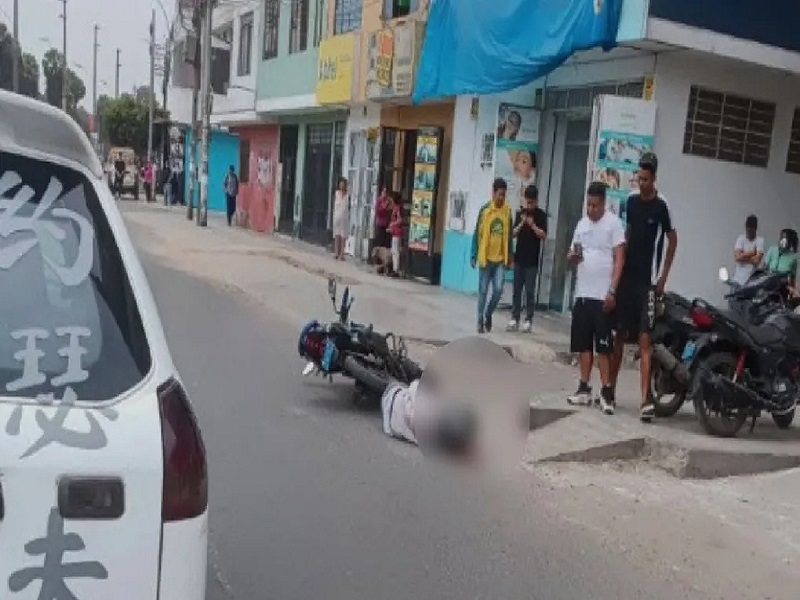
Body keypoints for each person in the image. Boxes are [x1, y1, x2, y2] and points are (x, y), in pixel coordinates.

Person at [609, 152, 677, 422]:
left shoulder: (662, 206)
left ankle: (646, 401)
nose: (642, 183)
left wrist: (662, 278)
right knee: (619, 336)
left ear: (654, 178)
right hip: (626, 281)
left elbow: (673, 240)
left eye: (646, 179)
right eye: (639, 178)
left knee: (645, 341)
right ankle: (609, 391)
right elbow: (624, 235)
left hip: (647, 284)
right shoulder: (630, 201)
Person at [566, 182, 626, 414]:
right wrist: (572, 257)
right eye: (588, 205)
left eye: (595, 205)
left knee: (604, 347)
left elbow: (619, 260)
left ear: (603, 203)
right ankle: (584, 388)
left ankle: (607, 391)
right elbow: (571, 254)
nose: (591, 210)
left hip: (602, 296)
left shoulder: (614, 224)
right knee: (583, 344)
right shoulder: (581, 225)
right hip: (583, 293)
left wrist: (612, 291)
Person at [471, 178, 514, 333]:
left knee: (498, 289)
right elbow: (477, 233)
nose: (501, 198)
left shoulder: (507, 212)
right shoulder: (485, 211)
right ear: (493, 193)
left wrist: (510, 257)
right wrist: (473, 255)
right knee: (483, 291)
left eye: (504, 195)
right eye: (499, 194)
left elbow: (509, 237)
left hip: (500, 260)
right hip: (485, 258)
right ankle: (479, 321)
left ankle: (488, 313)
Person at [507, 184, 547, 333]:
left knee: (529, 291)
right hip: (519, 259)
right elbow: (512, 234)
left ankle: (528, 319)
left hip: (532, 261)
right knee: (516, 290)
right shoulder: (520, 213)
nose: (529, 205)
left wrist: (533, 225)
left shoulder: (541, 215)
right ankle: (514, 318)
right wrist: (522, 222)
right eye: (527, 202)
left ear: (536, 201)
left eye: (531, 202)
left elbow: (543, 235)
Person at [732, 215, 764, 285]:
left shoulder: (760, 240)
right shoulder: (740, 238)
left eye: (750, 230)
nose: (748, 232)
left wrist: (742, 256)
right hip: (737, 280)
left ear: (755, 229)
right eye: (747, 230)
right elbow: (737, 258)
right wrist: (752, 253)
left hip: (751, 280)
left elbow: (756, 261)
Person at [332, 177, 350, 260]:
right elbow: (334, 204)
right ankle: (336, 252)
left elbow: (349, 206)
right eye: (340, 184)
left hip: (344, 217)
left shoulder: (347, 195)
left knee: (343, 236)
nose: (342, 186)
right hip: (337, 216)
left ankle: (342, 254)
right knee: (337, 234)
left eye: (343, 184)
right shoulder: (336, 193)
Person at [389, 193, 403, 276]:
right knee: (393, 250)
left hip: (397, 232)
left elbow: (400, 220)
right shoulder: (395, 208)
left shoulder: (398, 208)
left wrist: (392, 224)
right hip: (394, 232)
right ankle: (394, 268)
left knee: (396, 251)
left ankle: (396, 269)